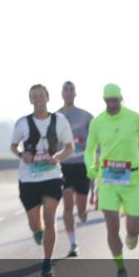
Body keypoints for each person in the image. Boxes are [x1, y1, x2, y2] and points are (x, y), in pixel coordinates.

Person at [84, 83, 139, 277]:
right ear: (104, 101)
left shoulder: (133, 118)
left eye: (115, 100)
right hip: (107, 180)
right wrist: (90, 166)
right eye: (108, 101)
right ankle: (120, 269)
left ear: (121, 99)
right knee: (112, 226)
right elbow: (89, 149)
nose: (112, 104)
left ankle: (133, 233)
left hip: (131, 180)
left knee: (132, 229)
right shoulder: (97, 122)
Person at [10, 84, 75, 277]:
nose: (38, 99)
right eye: (34, 96)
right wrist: (22, 155)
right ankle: (37, 232)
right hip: (28, 179)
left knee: (49, 217)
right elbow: (13, 146)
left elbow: (69, 147)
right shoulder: (22, 123)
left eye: (41, 96)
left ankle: (47, 262)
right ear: (30, 100)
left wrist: (58, 157)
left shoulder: (60, 121)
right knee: (35, 223)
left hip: (52, 176)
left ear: (48, 98)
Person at [57, 81, 94, 254]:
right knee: (67, 205)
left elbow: (96, 137)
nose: (69, 93)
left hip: (82, 165)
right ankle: (73, 243)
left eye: (72, 90)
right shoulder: (55, 117)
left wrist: (88, 144)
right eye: (66, 90)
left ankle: (83, 211)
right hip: (64, 165)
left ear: (75, 94)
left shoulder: (86, 116)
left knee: (80, 206)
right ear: (62, 94)